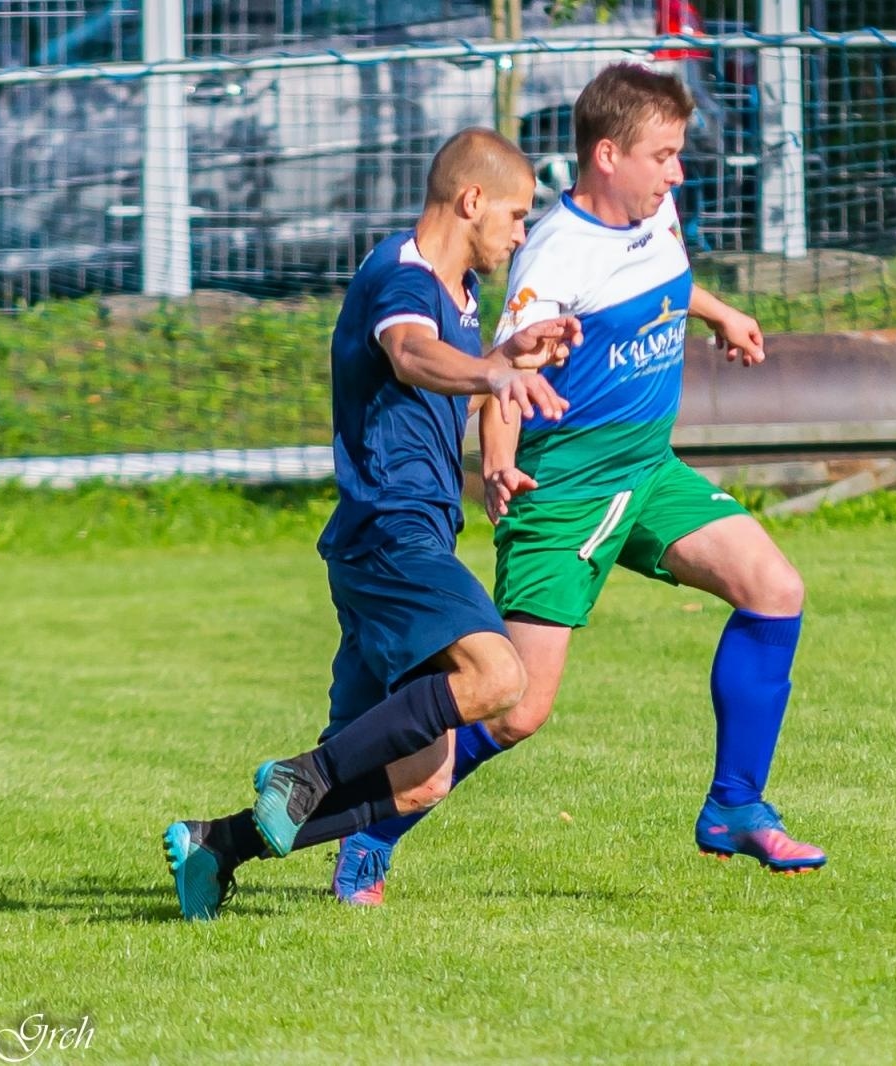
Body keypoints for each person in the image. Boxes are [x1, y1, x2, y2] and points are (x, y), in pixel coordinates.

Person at [327, 62, 825, 907]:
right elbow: (507, 368)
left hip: (647, 468)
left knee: (774, 588)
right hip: (564, 491)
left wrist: (716, 311)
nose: (678, 171)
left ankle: (734, 806)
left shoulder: (654, 210)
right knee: (516, 708)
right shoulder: (548, 256)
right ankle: (374, 831)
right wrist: (496, 459)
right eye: (664, 155)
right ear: (607, 155)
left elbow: (647, 276)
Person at [161, 127, 583, 920]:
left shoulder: (458, 297)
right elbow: (409, 354)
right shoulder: (402, 276)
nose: (523, 233)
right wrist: (492, 369)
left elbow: (449, 357)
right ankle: (304, 772)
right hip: (394, 535)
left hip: (387, 546)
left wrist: (509, 351)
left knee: (418, 779)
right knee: (499, 678)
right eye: (519, 215)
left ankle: (217, 845)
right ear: (472, 200)